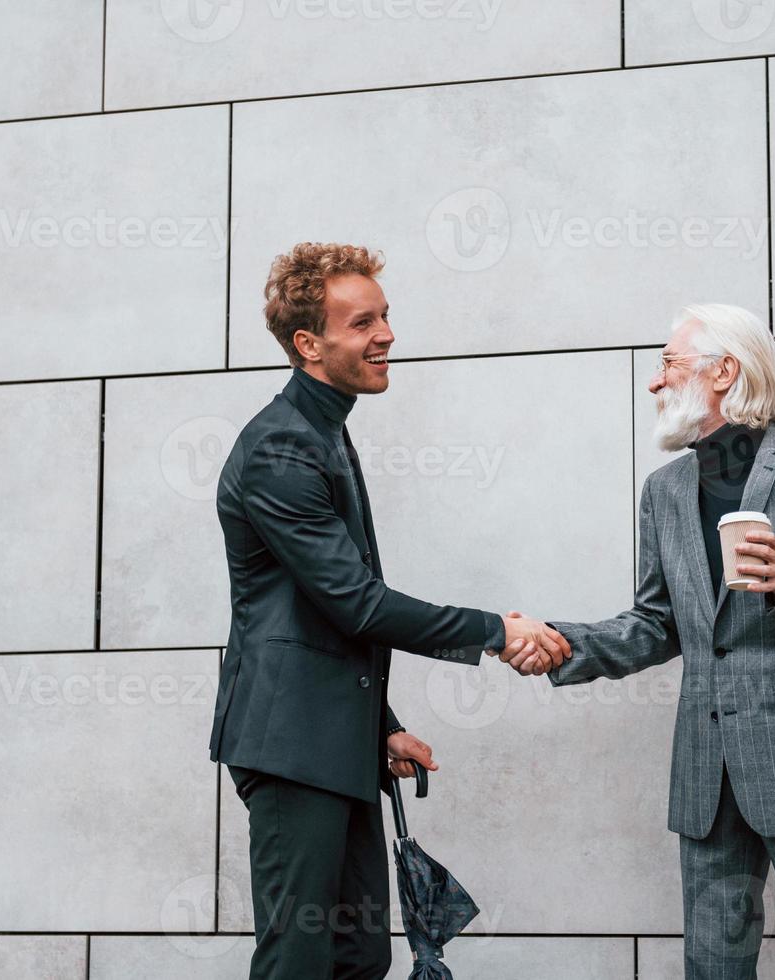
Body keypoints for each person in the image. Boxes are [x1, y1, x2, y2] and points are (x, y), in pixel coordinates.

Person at [207, 242, 569, 979]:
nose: (387, 334)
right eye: (362, 321)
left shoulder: (323, 431)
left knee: (357, 954)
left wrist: (383, 729)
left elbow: (326, 619)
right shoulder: (281, 447)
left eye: (386, 316)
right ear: (309, 344)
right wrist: (497, 631)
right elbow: (357, 604)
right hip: (290, 746)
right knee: (299, 960)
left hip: (332, 744)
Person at [544, 303, 775, 980]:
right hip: (708, 778)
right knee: (712, 969)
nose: (654, 383)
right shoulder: (665, 491)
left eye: (668, 365)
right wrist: (561, 644)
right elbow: (657, 622)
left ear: (723, 371)